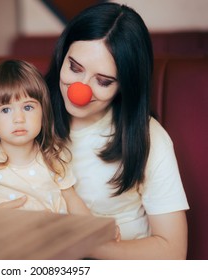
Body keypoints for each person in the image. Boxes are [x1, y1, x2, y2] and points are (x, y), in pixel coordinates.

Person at [43, 2, 189, 259]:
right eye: (74, 67)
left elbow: (172, 250)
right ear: (62, 55)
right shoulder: (25, 114)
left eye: (103, 81)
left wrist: (90, 245)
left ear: (125, 85)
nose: (80, 90)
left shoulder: (148, 137)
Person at [0, 59, 89, 215]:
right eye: (5, 110)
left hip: (52, 235)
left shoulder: (54, 156)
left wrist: (100, 229)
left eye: (28, 107)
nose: (19, 118)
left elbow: (72, 200)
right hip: (4, 235)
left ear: (43, 115)